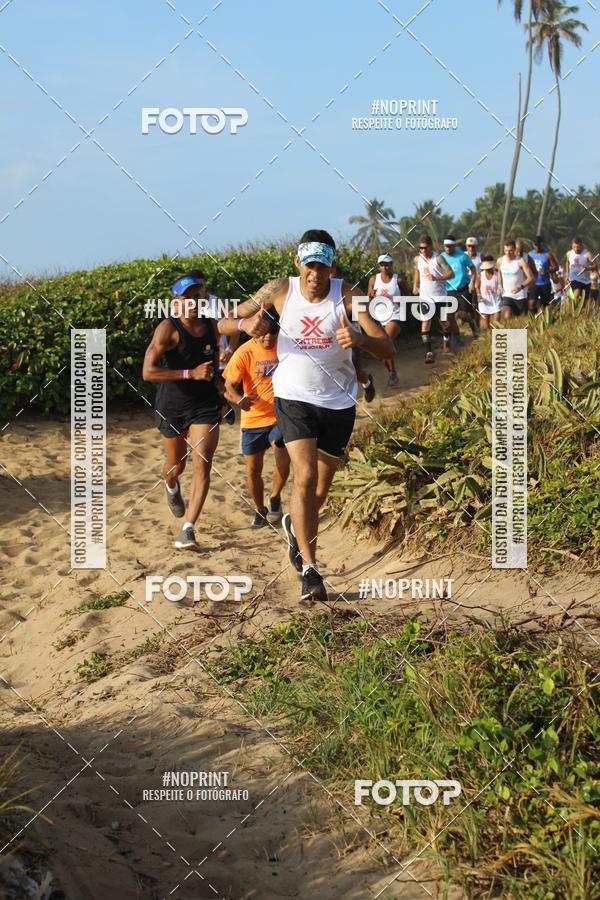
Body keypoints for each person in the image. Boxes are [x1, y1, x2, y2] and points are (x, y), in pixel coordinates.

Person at [219, 229, 394, 602]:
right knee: (305, 476)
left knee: (320, 489)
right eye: (309, 265)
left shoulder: (350, 296)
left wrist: (361, 340)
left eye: (322, 266)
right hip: (293, 397)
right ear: (298, 263)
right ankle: (311, 571)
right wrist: (244, 325)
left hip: (339, 402)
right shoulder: (279, 290)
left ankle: (294, 528)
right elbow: (223, 322)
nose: (315, 274)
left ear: (332, 266)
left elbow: (388, 347)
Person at [142, 274, 224, 550]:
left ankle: (188, 529)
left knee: (203, 463)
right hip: (172, 406)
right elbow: (148, 372)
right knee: (176, 466)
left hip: (205, 405)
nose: (193, 301)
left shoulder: (212, 327)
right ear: (176, 302)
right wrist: (190, 373)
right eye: (187, 297)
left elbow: (213, 370)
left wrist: (225, 393)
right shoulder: (168, 329)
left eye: (197, 296)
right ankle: (171, 484)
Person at [223, 315, 290, 528]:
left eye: (274, 332)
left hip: (280, 416)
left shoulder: (286, 347)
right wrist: (239, 400)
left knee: (282, 458)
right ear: (255, 331)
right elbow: (228, 387)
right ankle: (260, 509)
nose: (269, 336)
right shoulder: (244, 353)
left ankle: (275, 497)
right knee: (252, 470)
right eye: (264, 332)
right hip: (252, 419)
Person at [187, 269, 238, 424]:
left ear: (205, 285)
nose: (198, 291)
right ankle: (223, 409)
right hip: (196, 362)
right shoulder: (185, 307)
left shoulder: (219, 303)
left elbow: (236, 328)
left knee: (219, 394)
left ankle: (224, 408)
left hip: (219, 359)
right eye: (194, 287)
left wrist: (230, 349)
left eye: (200, 286)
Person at [367, 253, 409, 387]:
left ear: (391, 265)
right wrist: (371, 296)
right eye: (382, 265)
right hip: (379, 316)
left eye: (387, 264)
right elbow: (369, 296)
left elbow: (407, 296)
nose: (384, 267)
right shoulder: (373, 279)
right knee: (381, 349)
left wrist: (398, 301)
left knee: (385, 342)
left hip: (396, 315)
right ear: (379, 266)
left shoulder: (399, 280)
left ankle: (392, 374)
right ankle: (392, 372)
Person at [412, 234, 455, 363]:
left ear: (431, 246)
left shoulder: (438, 258)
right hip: (425, 297)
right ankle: (429, 352)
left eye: (425, 248)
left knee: (445, 323)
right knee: (426, 323)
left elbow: (451, 273)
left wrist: (437, 278)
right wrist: (415, 285)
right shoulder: (417, 259)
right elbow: (417, 271)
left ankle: (446, 340)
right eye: (421, 248)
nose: (423, 250)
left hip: (440, 296)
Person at [441, 236, 479, 339]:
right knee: (449, 316)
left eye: (450, 246)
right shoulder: (441, 257)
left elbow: (473, 269)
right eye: (446, 246)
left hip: (462, 289)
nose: (448, 248)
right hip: (449, 290)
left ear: (454, 246)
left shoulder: (462, 256)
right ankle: (457, 337)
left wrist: (472, 282)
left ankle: (472, 323)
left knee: (462, 314)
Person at [497, 240, 534, 319]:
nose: (508, 253)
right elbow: (499, 273)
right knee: (507, 316)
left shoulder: (520, 261)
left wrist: (520, 287)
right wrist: (499, 285)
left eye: (510, 251)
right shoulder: (500, 261)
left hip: (521, 296)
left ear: (514, 250)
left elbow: (531, 277)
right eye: (506, 250)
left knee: (521, 321)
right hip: (507, 295)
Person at [529, 236, 558, 311]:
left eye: (539, 245)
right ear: (533, 245)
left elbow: (556, 267)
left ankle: (543, 317)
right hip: (534, 284)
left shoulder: (547, 255)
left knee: (544, 306)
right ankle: (534, 317)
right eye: (535, 245)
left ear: (542, 244)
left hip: (545, 284)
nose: (537, 247)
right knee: (531, 304)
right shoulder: (530, 255)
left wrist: (547, 271)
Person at [476, 257, 502, 328]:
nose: (487, 269)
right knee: (485, 326)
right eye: (485, 268)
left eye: (489, 268)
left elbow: (501, 285)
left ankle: (497, 334)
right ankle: (488, 335)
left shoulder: (498, 274)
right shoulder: (480, 275)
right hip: (484, 302)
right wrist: (478, 295)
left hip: (496, 301)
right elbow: (477, 287)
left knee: (496, 323)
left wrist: (500, 289)